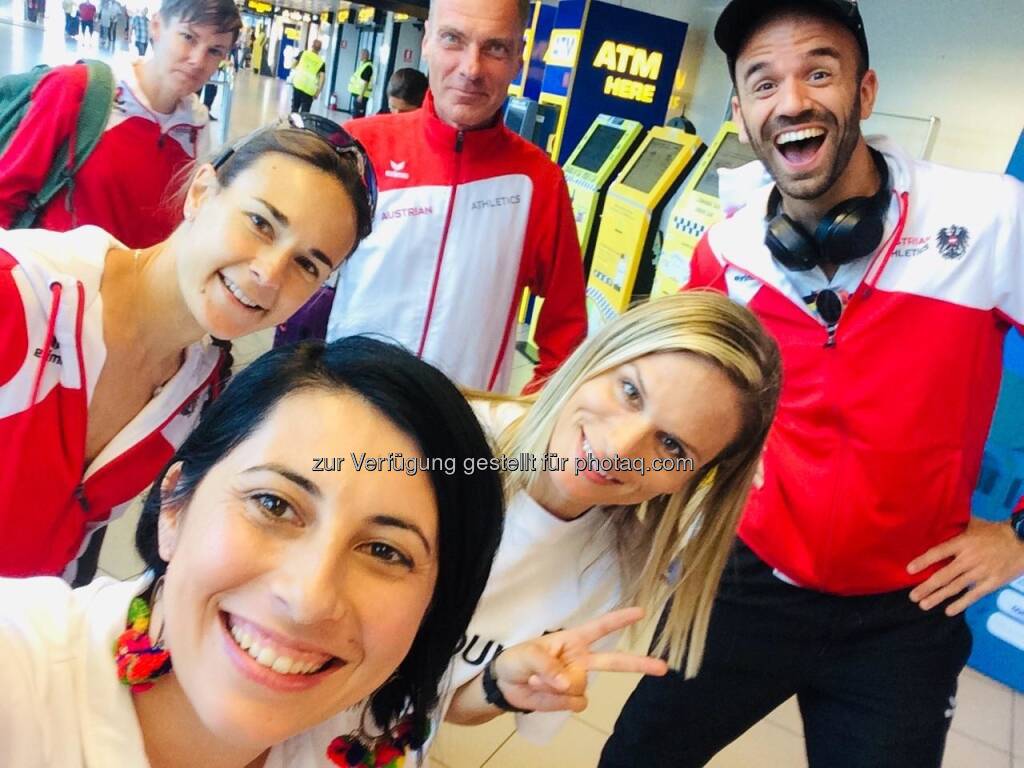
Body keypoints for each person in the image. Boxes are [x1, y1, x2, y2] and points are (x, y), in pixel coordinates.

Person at [600, 2, 1024, 767]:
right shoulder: (727, 252)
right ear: (740, 113)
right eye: (764, 83)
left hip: (907, 613)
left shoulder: (990, 220)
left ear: (865, 91)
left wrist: (1019, 534)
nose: (792, 100)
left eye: (819, 72)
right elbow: (676, 405)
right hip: (747, 581)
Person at [0, 336, 506, 767]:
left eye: (384, 550)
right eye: (274, 505)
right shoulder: (20, 671)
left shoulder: (370, 735)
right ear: (175, 506)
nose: (308, 599)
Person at [0, 115, 377, 583]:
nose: (269, 274)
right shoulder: (20, 295)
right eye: (261, 223)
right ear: (200, 192)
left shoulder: (196, 390)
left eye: (307, 264)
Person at [425, 290, 782, 749]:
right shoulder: (433, 447)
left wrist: (498, 684)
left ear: (693, 479)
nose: (619, 448)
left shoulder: (616, 567)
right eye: (630, 392)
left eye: (672, 446)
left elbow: (440, 704)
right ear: (598, 356)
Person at [325, 0, 586, 393]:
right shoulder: (358, 148)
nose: (471, 69)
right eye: (453, 39)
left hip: (463, 426)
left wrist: (527, 416)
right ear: (427, 41)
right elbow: (295, 276)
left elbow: (567, 329)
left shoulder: (538, 181)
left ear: (518, 59)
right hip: (346, 410)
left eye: (495, 47)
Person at [0, 0, 241, 248]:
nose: (198, 60)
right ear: (156, 27)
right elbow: (5, 196)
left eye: (215, 51)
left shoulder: (197, 128)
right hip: (52, 271)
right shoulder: (78, 89)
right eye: (188, 37)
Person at [291, 38, 326, 114]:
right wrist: (318, 92)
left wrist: (298, 69)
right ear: (320, 49)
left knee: (295, 107)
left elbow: (292, 65)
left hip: (298, 83)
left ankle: (293, 120)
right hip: (310, 89)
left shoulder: (303, 53)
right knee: (305, 112)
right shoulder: (321, 62)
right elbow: (322, 79)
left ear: (312, 46)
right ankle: (303, 120)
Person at [347, 48, 373, 118]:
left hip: (361, 96)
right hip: (358, 95)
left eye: (360, 54)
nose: (359, 56)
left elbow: (366, 82)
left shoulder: (368, 67)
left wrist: (361, 95)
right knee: (355, 114)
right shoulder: (363, 65)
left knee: (357, 116)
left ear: (364, 55)